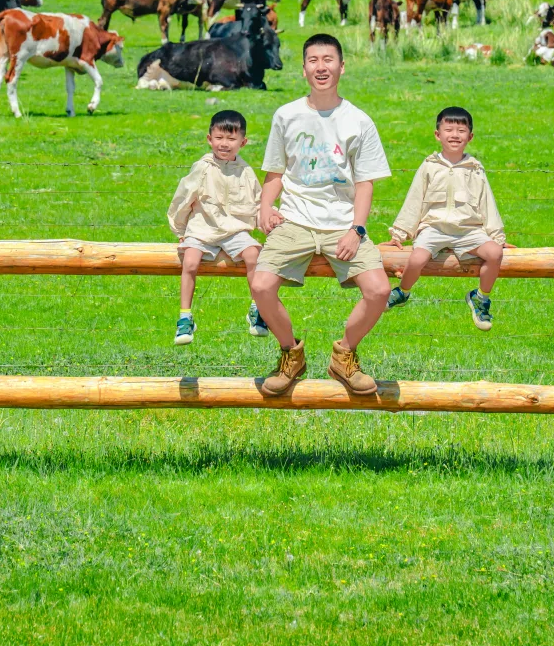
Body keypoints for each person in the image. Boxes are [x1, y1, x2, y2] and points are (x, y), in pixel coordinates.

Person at [250, 33, 391, 396]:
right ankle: (290, 354)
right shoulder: (286, 115)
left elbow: (364, 183)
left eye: (328, 59)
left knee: (378, 290)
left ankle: (344, 354)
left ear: (342, 67)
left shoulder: (359, 121)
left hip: (342, 224)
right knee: (261, 285)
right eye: (313, 60)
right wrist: (265, 207)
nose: (321, 67)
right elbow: (275, 174)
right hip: (294, 220)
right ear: (303, 69)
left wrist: (357, 230)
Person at [386, 105, 505, 329]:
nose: (455, 135)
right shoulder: (429, 166)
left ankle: (480, 298)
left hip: (468, 231)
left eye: (461, 131)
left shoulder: (475, 168)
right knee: (417, 259)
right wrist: (400, 234)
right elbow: (414, 200)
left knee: (495, 253)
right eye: (449, 129)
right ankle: (403, 291)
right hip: (434, 229)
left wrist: (497, 237)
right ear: (437, 134)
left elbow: (486, 202)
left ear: (470, 136)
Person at [167, 108, 268, 345]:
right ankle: (185, 317)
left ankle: (257, 309)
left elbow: (257, 202)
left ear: (243, 142)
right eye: (219, 138)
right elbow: (183, 198)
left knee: (254, 255)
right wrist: (181, 231)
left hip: (235, 229)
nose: (224, 144)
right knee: (190, 261)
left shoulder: (245, 171)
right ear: (209, 139)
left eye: (231, 139)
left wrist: (265, 224)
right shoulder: (202, 168)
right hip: (203, 228)